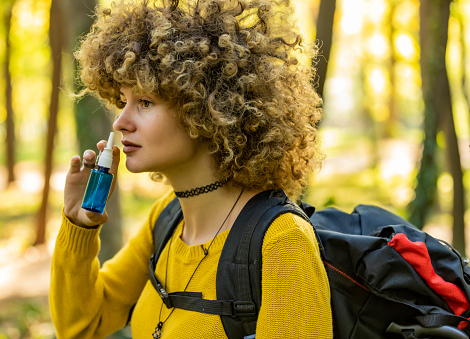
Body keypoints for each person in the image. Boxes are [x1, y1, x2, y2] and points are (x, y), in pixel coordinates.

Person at [49, 0, 332, 338]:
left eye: (145, 102)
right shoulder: (166, 219)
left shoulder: (283, 242)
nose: (121, 122)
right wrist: (79, 226)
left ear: (207, 109)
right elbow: (82, 325)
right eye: (121, 101)